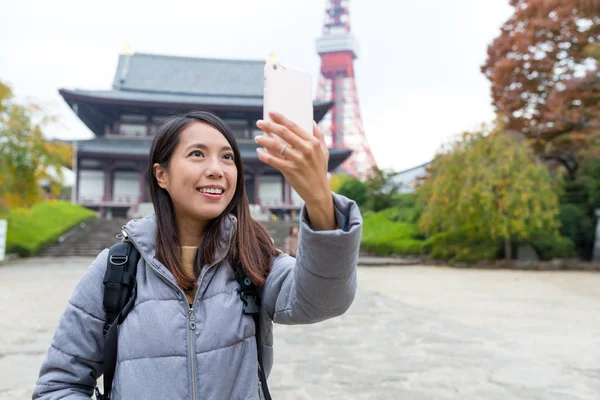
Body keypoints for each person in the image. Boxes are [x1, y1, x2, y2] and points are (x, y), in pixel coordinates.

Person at [33, 110, 362, 399]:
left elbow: (323, 300)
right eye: (197, 154)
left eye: (227, 157)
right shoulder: (116, 269)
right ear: (161, 174)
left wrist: (320, 200)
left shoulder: (252, 257)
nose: (217, 169)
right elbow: (59, 385)